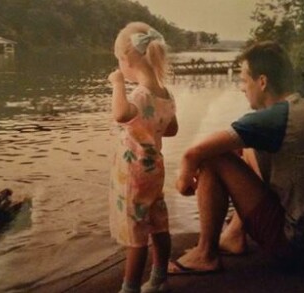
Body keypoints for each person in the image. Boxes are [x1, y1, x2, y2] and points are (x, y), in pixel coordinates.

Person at [170, 41, 304, 274]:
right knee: (245, 149)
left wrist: (184, 180)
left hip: (302, 247)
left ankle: (204, 254)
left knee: (214, 157)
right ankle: (234, 236)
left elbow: (193, 153)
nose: (241, 88)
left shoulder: (273, 118)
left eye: (244, 80)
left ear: (263, 82)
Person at [108, 22, 179, 293]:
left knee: (135, 233)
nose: (119, 68)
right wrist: (154, 126)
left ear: (126, 60)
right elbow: (172, 129)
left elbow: (121, 114)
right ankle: (160, 277)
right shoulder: (164, 93)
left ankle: (130, 288)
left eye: (119, 62)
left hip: (134, 173)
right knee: (158, 220)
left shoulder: (140, 93)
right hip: (155, 169)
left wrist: (117, 85)